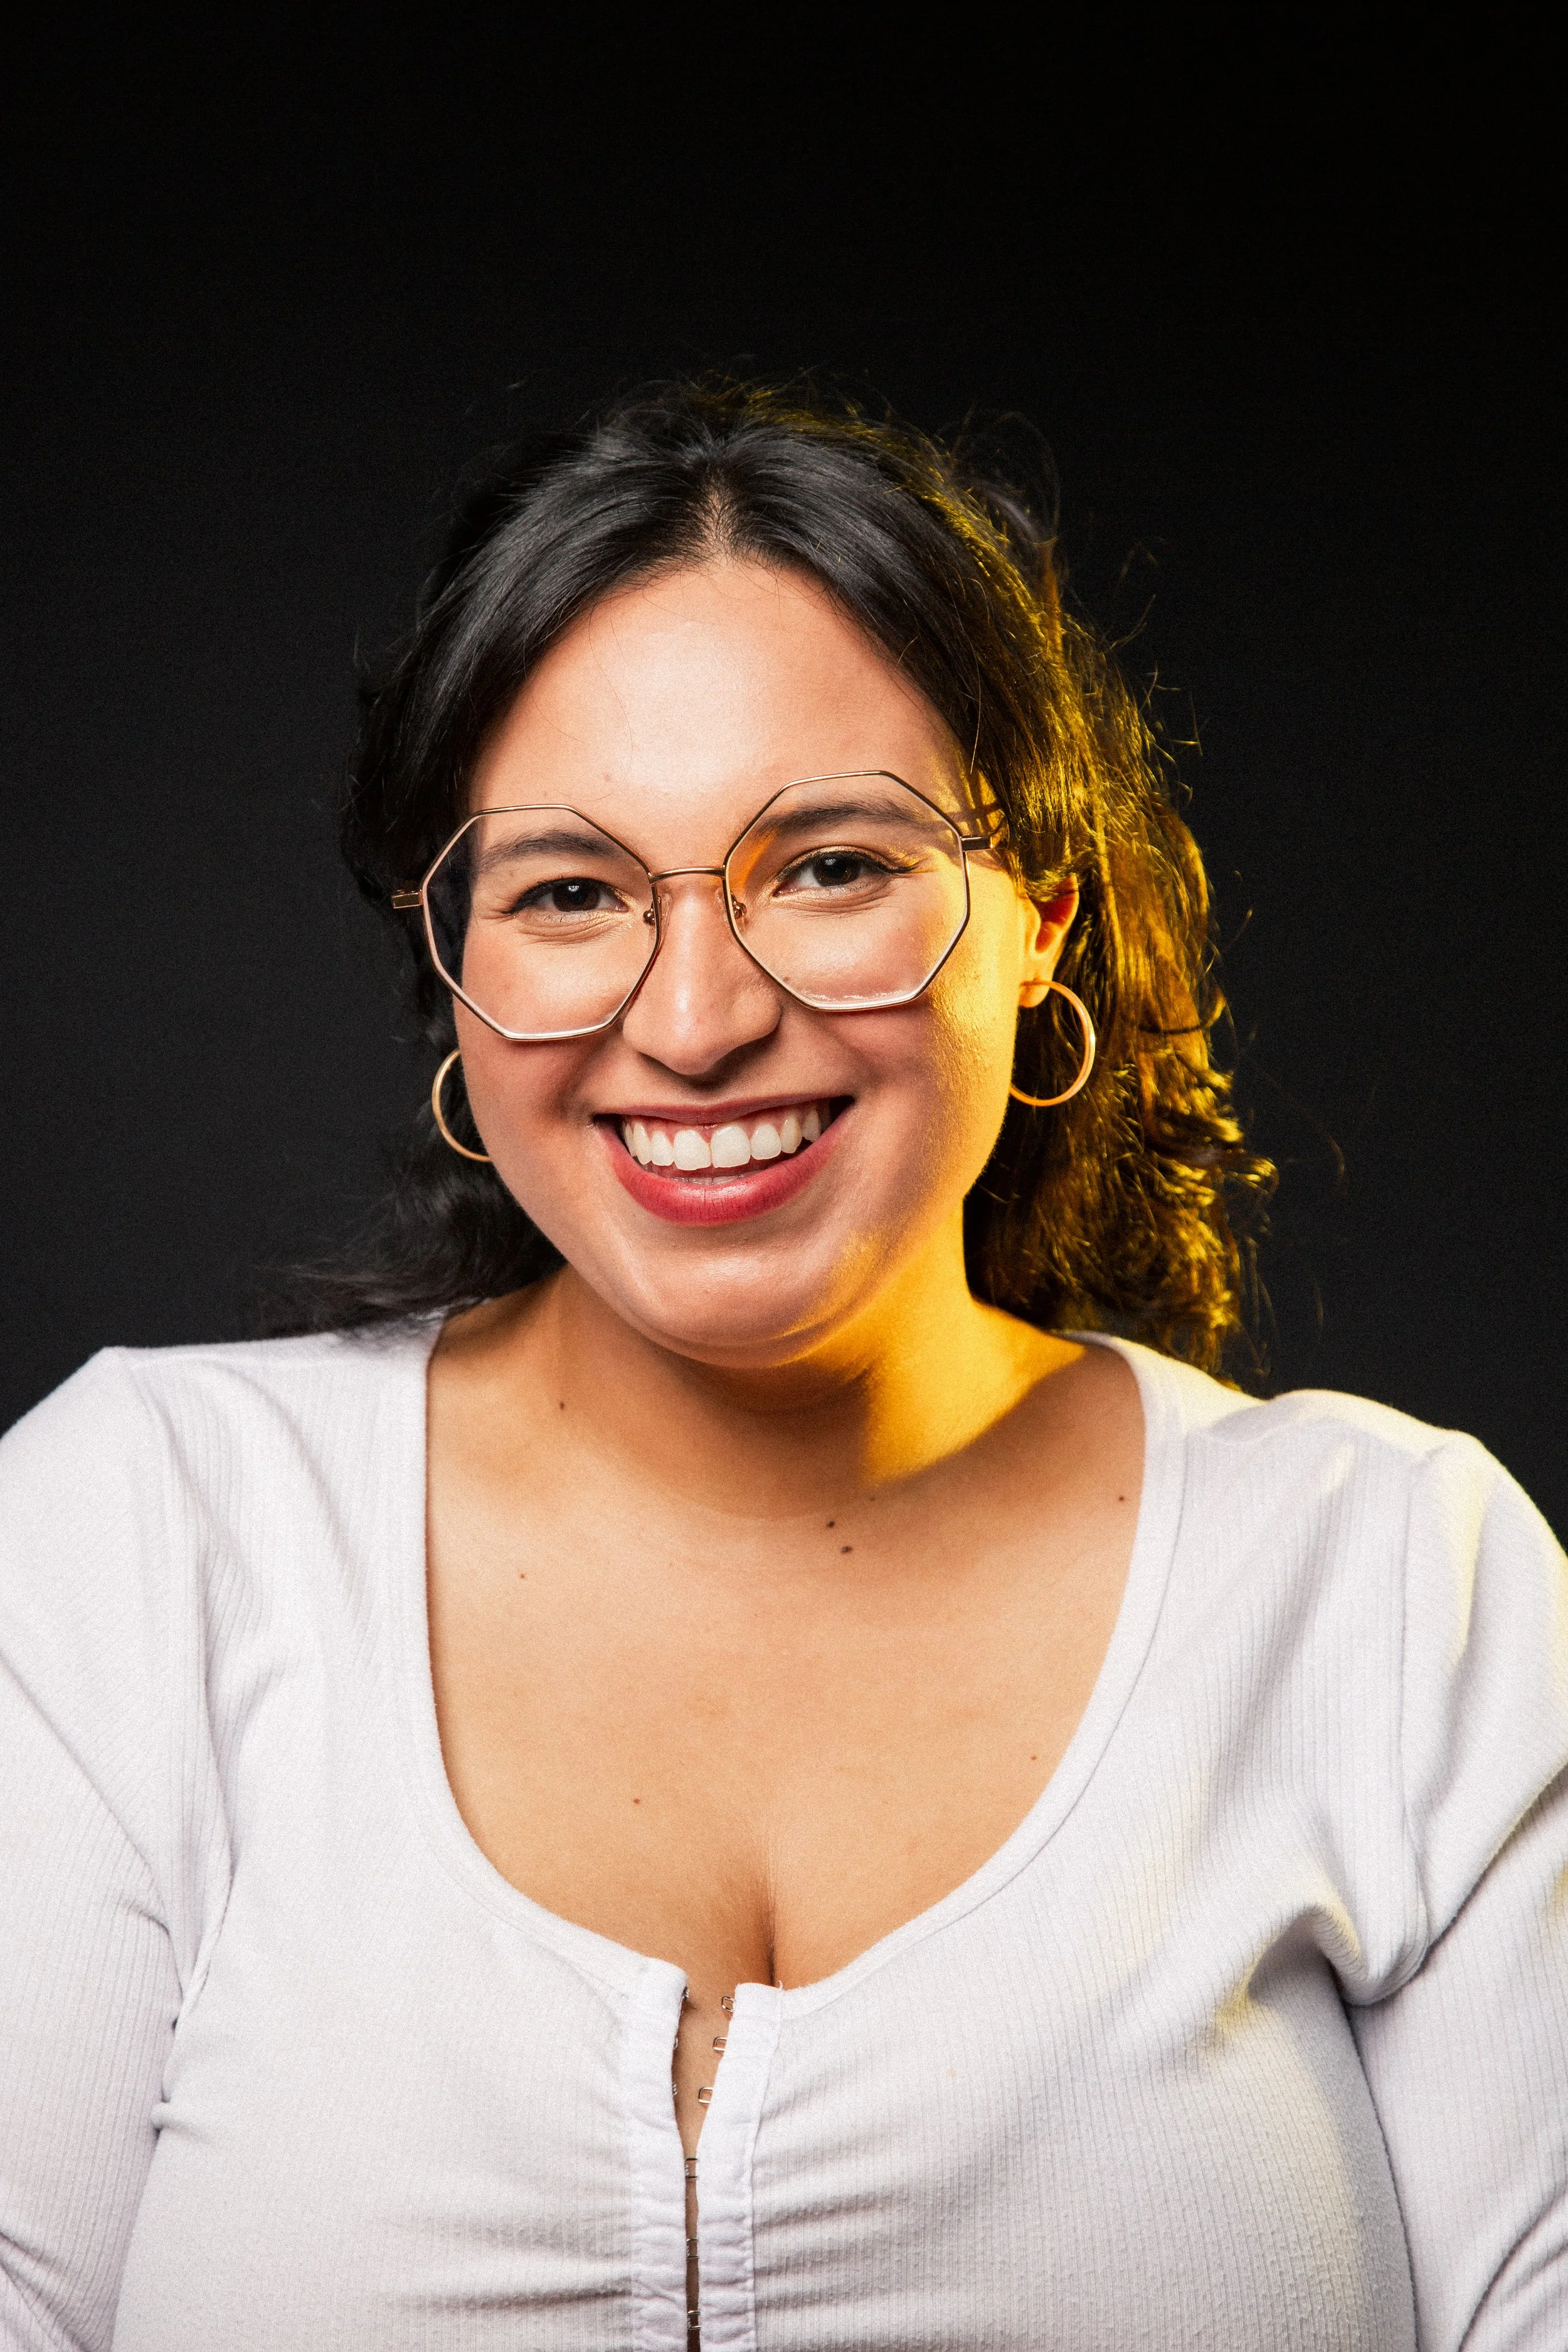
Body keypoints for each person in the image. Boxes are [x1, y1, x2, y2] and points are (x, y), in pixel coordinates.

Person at [2, 382, 1564, 2352]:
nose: (699, 1016)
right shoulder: (137, 1539)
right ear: (455, 970)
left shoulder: (1397, 1588)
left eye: (829, 865)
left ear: (1037, 921)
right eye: (570, 892)